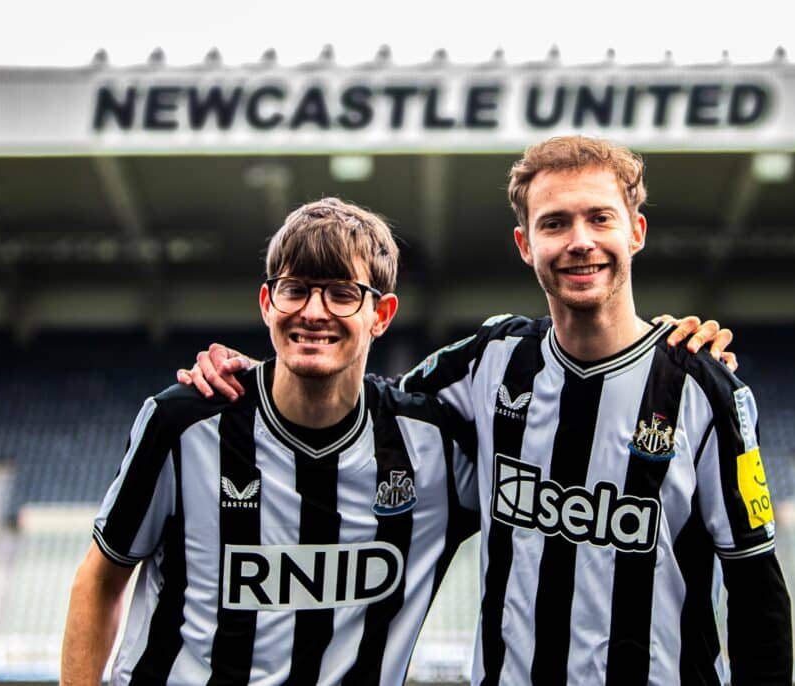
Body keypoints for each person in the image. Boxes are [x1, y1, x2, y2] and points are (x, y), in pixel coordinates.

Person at [186, 137, 792, 685]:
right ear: (527, 244)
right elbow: (361, 404)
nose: (579, 241)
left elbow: (757, 592)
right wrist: (264, 371)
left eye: (599, 218)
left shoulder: (705, 389)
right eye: (555, 223)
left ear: (635, 231)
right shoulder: (490, 360)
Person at [61, 198, 481, 685]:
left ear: (381, 314)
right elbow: (100, 579)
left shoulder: (430, 449)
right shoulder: (184, 422)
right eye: (295, 290)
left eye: (343, 293)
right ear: (267, 304)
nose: (314, 312)